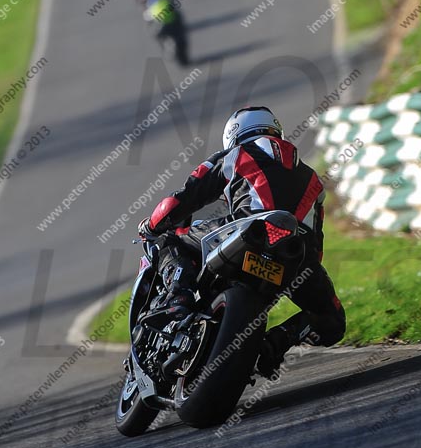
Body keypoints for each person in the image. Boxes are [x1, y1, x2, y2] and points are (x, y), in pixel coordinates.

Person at [138, 106, 346, 377]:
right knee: (332, 321)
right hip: (296, 255)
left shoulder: (233, 155)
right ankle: (277, 342)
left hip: (249, 232)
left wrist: (151, 226)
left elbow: (181, 200)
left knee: (170, 240)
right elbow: (316, 246)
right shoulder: (314, 179)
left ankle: (180, 297)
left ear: (233, 135)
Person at [130, 0, 188, 64]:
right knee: (176, 30)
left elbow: (140, 3)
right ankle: (169, 48)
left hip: (158, 15)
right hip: (162, 14)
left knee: (157, 32)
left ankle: (167, 49)